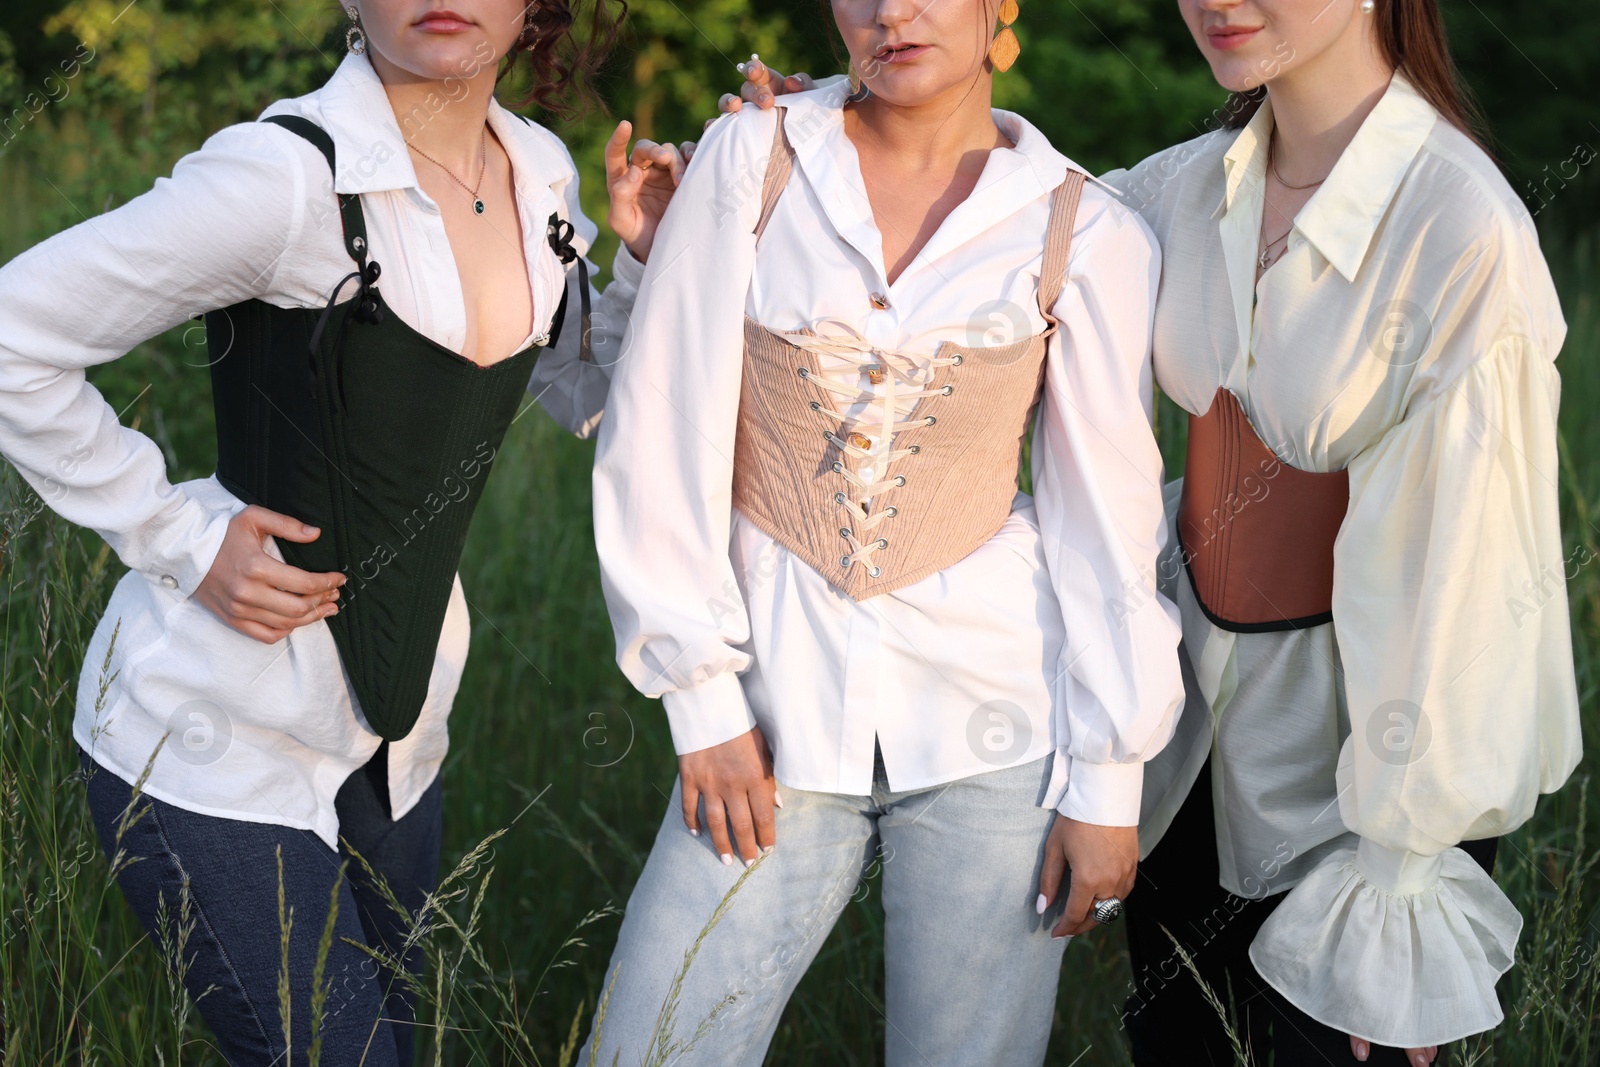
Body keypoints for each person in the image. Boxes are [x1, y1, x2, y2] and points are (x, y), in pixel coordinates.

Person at [735, 0, 1581, 1060]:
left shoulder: (1459, 227)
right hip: (1188, 740)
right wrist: (796, 137)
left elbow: (1475, 578)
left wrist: (1404, 870)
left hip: (1361, 782)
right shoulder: (1181, 188)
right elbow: (985, 214)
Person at [0, 1, 687, 1062]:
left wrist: (642, 263)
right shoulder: (280, 181)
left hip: (396, 741)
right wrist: (179, 537)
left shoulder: (539, 173)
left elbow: (580, 389)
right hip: (211, 734)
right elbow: (15, 329)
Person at [584, 0, 1185, 1064]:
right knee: (653, 1045)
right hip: (763, 722)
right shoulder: (751, 160)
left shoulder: (1085, 227)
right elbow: (662, 418)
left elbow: (1108, 520)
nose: (891, 13)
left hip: (995, 726)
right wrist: (699, 699)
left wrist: (1106, 780)